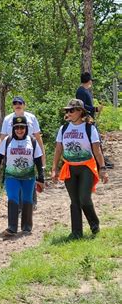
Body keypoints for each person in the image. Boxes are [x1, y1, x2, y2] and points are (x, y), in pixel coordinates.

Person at [51, 99, 109, 239]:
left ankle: (94, 223)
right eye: (67, 110)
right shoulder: (63, 129)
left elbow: (97, 150)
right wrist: (54, 169)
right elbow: (58, 150)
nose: (68, 113)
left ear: (80, 112)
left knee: (84, 198)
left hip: (86, 167)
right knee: (74, 201)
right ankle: (76, 232)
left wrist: (103, 168)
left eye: (71, 110)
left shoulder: (89, 128)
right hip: (69, 167)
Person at [0, 117, 45, 237]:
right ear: (13, 128)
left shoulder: (32, 141)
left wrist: (41, 176)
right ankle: (12, 227)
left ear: (26, 128)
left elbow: (38, 160)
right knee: (13, 198)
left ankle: (26, 227)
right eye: (16, 127)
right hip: (11, 176)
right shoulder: (8, 140)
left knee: (27, 199)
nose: (19, 130)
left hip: (28, 177)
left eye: (22, 127)